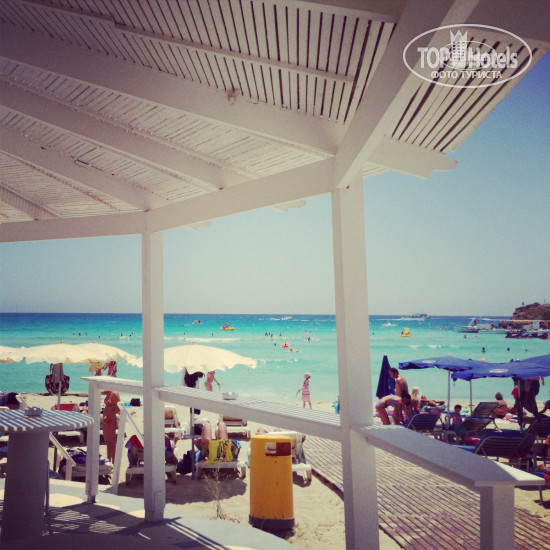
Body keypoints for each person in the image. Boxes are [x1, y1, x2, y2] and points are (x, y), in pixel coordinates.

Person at [101, 390, 120, 463]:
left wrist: (110, 415)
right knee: (107, 442)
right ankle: (108, 459)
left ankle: (114, 462)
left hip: (111, 421)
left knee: (112, 443)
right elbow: (99, 391)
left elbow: (119, 408)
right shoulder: (108, 392)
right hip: (105, 421)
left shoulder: (114, 394)